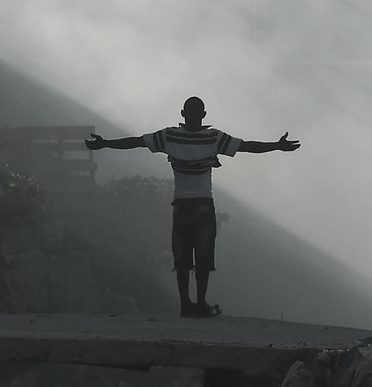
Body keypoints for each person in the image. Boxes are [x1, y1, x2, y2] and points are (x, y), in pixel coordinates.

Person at [85, 96, 300, 318]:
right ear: (204, 115)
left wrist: (105, 143)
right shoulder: (213, 138)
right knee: (203, 259)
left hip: (181, 205)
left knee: (182, 258)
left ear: (182, 114)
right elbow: (246, 146)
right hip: (204, 205)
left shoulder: (170, 136)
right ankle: (200, 303)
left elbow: (136, 142)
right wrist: (277, 146)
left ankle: (185, 304)